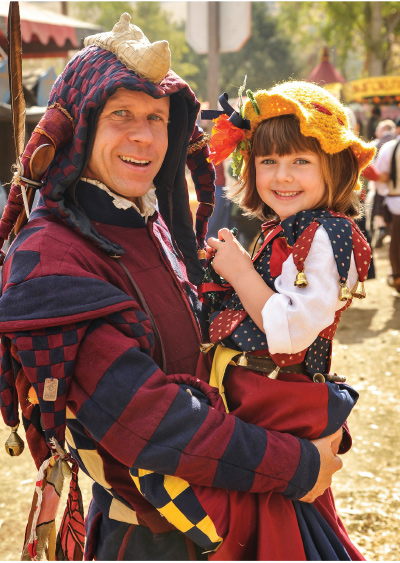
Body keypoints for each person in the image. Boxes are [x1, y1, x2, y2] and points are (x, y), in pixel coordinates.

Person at [0, 16, 340, 562]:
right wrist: (296, 464)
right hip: (151, 539)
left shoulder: (147, 224)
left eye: (157, 118)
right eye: (121, 116)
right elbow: (149, 421)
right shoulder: (51, 260)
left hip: (219, 511)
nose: (143, 136)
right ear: (83, 126)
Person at [127, 81, 376, 560]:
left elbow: (289, 333)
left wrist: (240, 272)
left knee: (256, 504)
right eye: (268, 162)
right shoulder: (289, 229)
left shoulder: (328, 235)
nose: (282, 176)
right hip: (253, 388)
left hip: (275, 393)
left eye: (301, 161)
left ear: (336, 164)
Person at [374, 116, 400, 291]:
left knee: (397, 242)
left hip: (396, 201)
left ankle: (397, 277)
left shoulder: (390, 148)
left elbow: (380, 177)